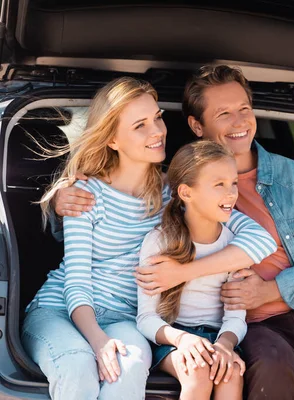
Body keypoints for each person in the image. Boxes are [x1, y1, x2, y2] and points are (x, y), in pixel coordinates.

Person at [54, 65, 294, 399]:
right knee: (267, 377)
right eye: (224, 113)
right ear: (196, 126)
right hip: (252, 325)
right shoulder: (181, 190)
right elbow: (106, 214)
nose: (239, 122)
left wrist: (264, 289)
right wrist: (61, 200)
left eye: (244, 109)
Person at [29, 76, 277, 400]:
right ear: (113, 140)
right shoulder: (85, 194)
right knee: (78, 366)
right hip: (63, 310)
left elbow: (260, 241)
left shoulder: (174, 196)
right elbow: (76, 281)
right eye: (140, 125)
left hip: (129, 318)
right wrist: (98, 342)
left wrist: (185, 273)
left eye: (158, 117)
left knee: (130, 368)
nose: (158, 130)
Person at [137, 141, 250, 400]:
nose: (231, 193)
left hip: (219, 337)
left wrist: (225, 344)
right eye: (218, 184)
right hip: (172, 337)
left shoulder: (236, 247)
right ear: (187, 193)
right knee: (197, 371)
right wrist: (182, 340)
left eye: (233, 183)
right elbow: (145, 319)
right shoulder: (159, 242)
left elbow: (235, 316)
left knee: (230, 373)